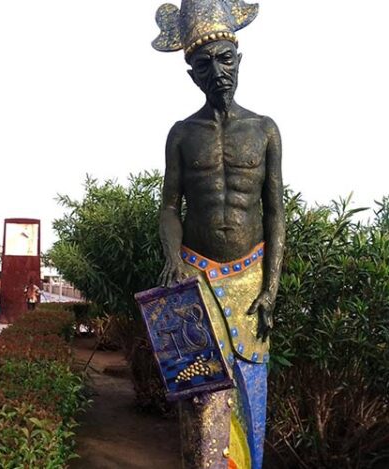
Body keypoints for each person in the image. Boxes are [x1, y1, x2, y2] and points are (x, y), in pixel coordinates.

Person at [152, 1, 285, 468]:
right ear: (192, 74)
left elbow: (275, 214)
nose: (217, 72)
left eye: (225, 59)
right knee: (202, 397)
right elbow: (170, 206)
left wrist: (271, 288)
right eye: (204, 65)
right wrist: (173, 257)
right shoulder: (182, 134)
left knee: (251, 395)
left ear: (239, 58)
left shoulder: (265, 130)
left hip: (250, 279)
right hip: (196, 276)